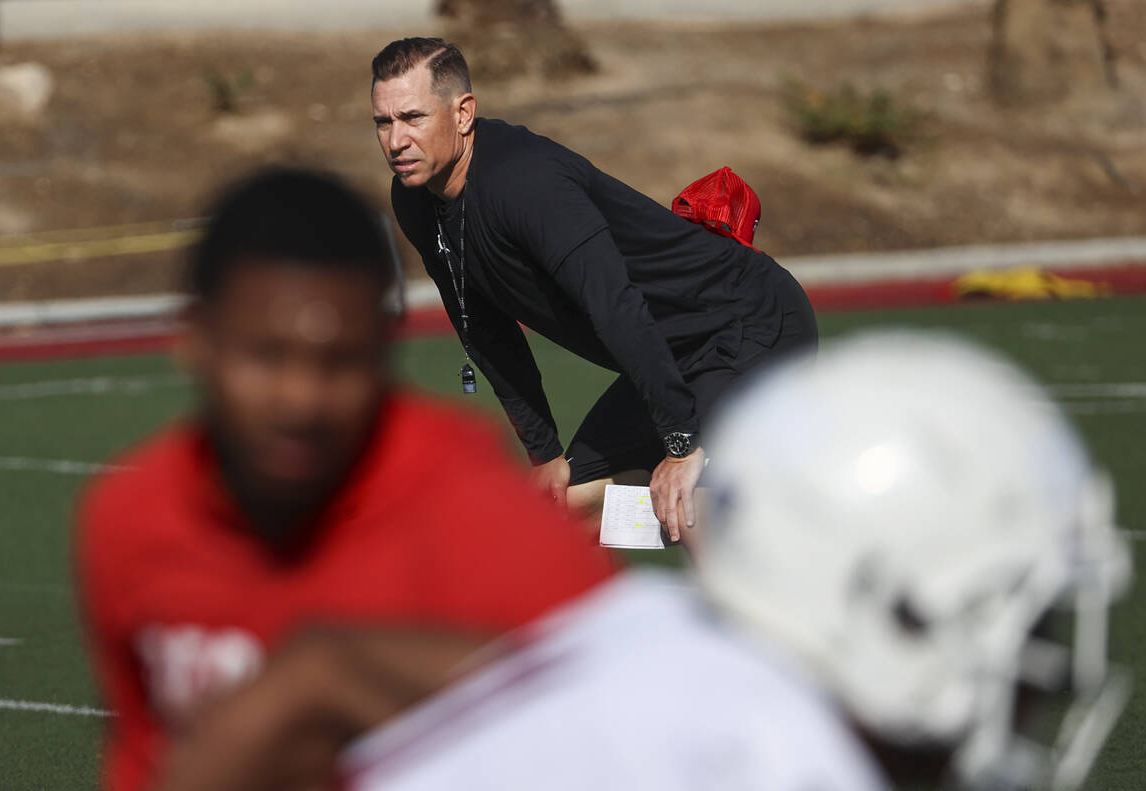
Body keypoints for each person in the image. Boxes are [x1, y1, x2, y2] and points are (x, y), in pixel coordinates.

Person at [334, 331, 1130, 791]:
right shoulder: (775, 761)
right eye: (1015, 616)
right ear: (884, 612)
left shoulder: (657, 628)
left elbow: (321, 665)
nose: (1034, 667)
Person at [73, 167, 613, 791]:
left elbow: (631, 730)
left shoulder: (479, 513)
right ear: (196, 339)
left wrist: (334, 678)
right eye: (266, 356)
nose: (302, 400)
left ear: (386, 352)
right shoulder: (129, 518)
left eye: (343, 361)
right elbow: (148, 759)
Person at [370, 37, 818, 541]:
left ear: (463, 112)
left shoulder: (526, 184)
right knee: (559, 514)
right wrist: (546, 454)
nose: (396, 140)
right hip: (665, 353)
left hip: (746, 325)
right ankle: (754, 506)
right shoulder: (414, 199)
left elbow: (616, 306)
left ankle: (805, 526)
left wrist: (680, 444)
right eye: (383, 123)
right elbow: (489, 335)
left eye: (412, 117)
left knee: (684, 502)